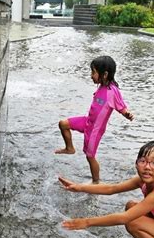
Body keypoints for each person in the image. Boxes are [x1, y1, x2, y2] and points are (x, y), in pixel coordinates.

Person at [55, 55, 134, 183]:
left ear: (105, 74)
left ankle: (96, 182)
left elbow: (121, 106)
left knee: (90, 156)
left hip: (95, 130)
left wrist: (127, 114)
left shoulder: (112, 91)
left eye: (93, 72)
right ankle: (70, 148)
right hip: (87, 122)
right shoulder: (102, 86)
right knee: (63, 124)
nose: (91, 75)